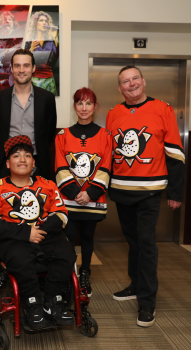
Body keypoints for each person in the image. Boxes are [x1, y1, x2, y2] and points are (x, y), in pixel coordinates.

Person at [106, 66, 185, 327]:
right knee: (133, 242)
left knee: (147, 243)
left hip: (150, 191)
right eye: (125, 82)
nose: (131, 84)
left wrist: (175, 192)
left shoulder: (163, 109)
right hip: (121, 190)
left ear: (144, 81)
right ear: (120, 88)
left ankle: (148, 302)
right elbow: (108, 155)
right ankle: (136, 286)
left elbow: (175, 153)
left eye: (135, 79)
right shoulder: (113, 113)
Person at [0, 135, 75, 330]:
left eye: (27, 155)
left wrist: (37, 231)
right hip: (13, 239)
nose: (22, 159)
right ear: (7, 163)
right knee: (21, 259)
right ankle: (32, 306)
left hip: (46, 234)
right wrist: (25, 233)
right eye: (16, 156)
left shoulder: (48, 185)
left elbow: (62, 215)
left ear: (33, 162)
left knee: (66, 253)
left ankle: (53, 303)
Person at [55, 87, 112, 297]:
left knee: (88, 237)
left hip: (93, 199)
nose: (84, 108)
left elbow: (106, 166)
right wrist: (74, 192)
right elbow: (60, 167)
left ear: (95, 107)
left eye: (88, 103)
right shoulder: (62, 135)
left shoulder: (106, 135)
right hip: (69, 199)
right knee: (68, 237)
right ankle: (70, 273)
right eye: (80, 103)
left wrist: (90, 193)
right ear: (74, 107)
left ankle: (85, 273)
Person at [0, 49, 57, 181]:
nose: (21, 70)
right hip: (6, 164)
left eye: (26, 65)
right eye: (17, 65)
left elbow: (49, 134)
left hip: (38, 163)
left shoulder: (47, 98)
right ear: (11, 69)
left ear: (33, 68)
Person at [25, 11, 59, 95]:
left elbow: (56, 56)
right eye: (41, 20)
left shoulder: (50, 41)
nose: (44, 23)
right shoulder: (29, 41)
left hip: (49, 79)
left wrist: (54, 37)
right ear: (35, 23)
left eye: (46, 21)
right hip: (35, 79)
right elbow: (24, 61)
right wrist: (30, 50)